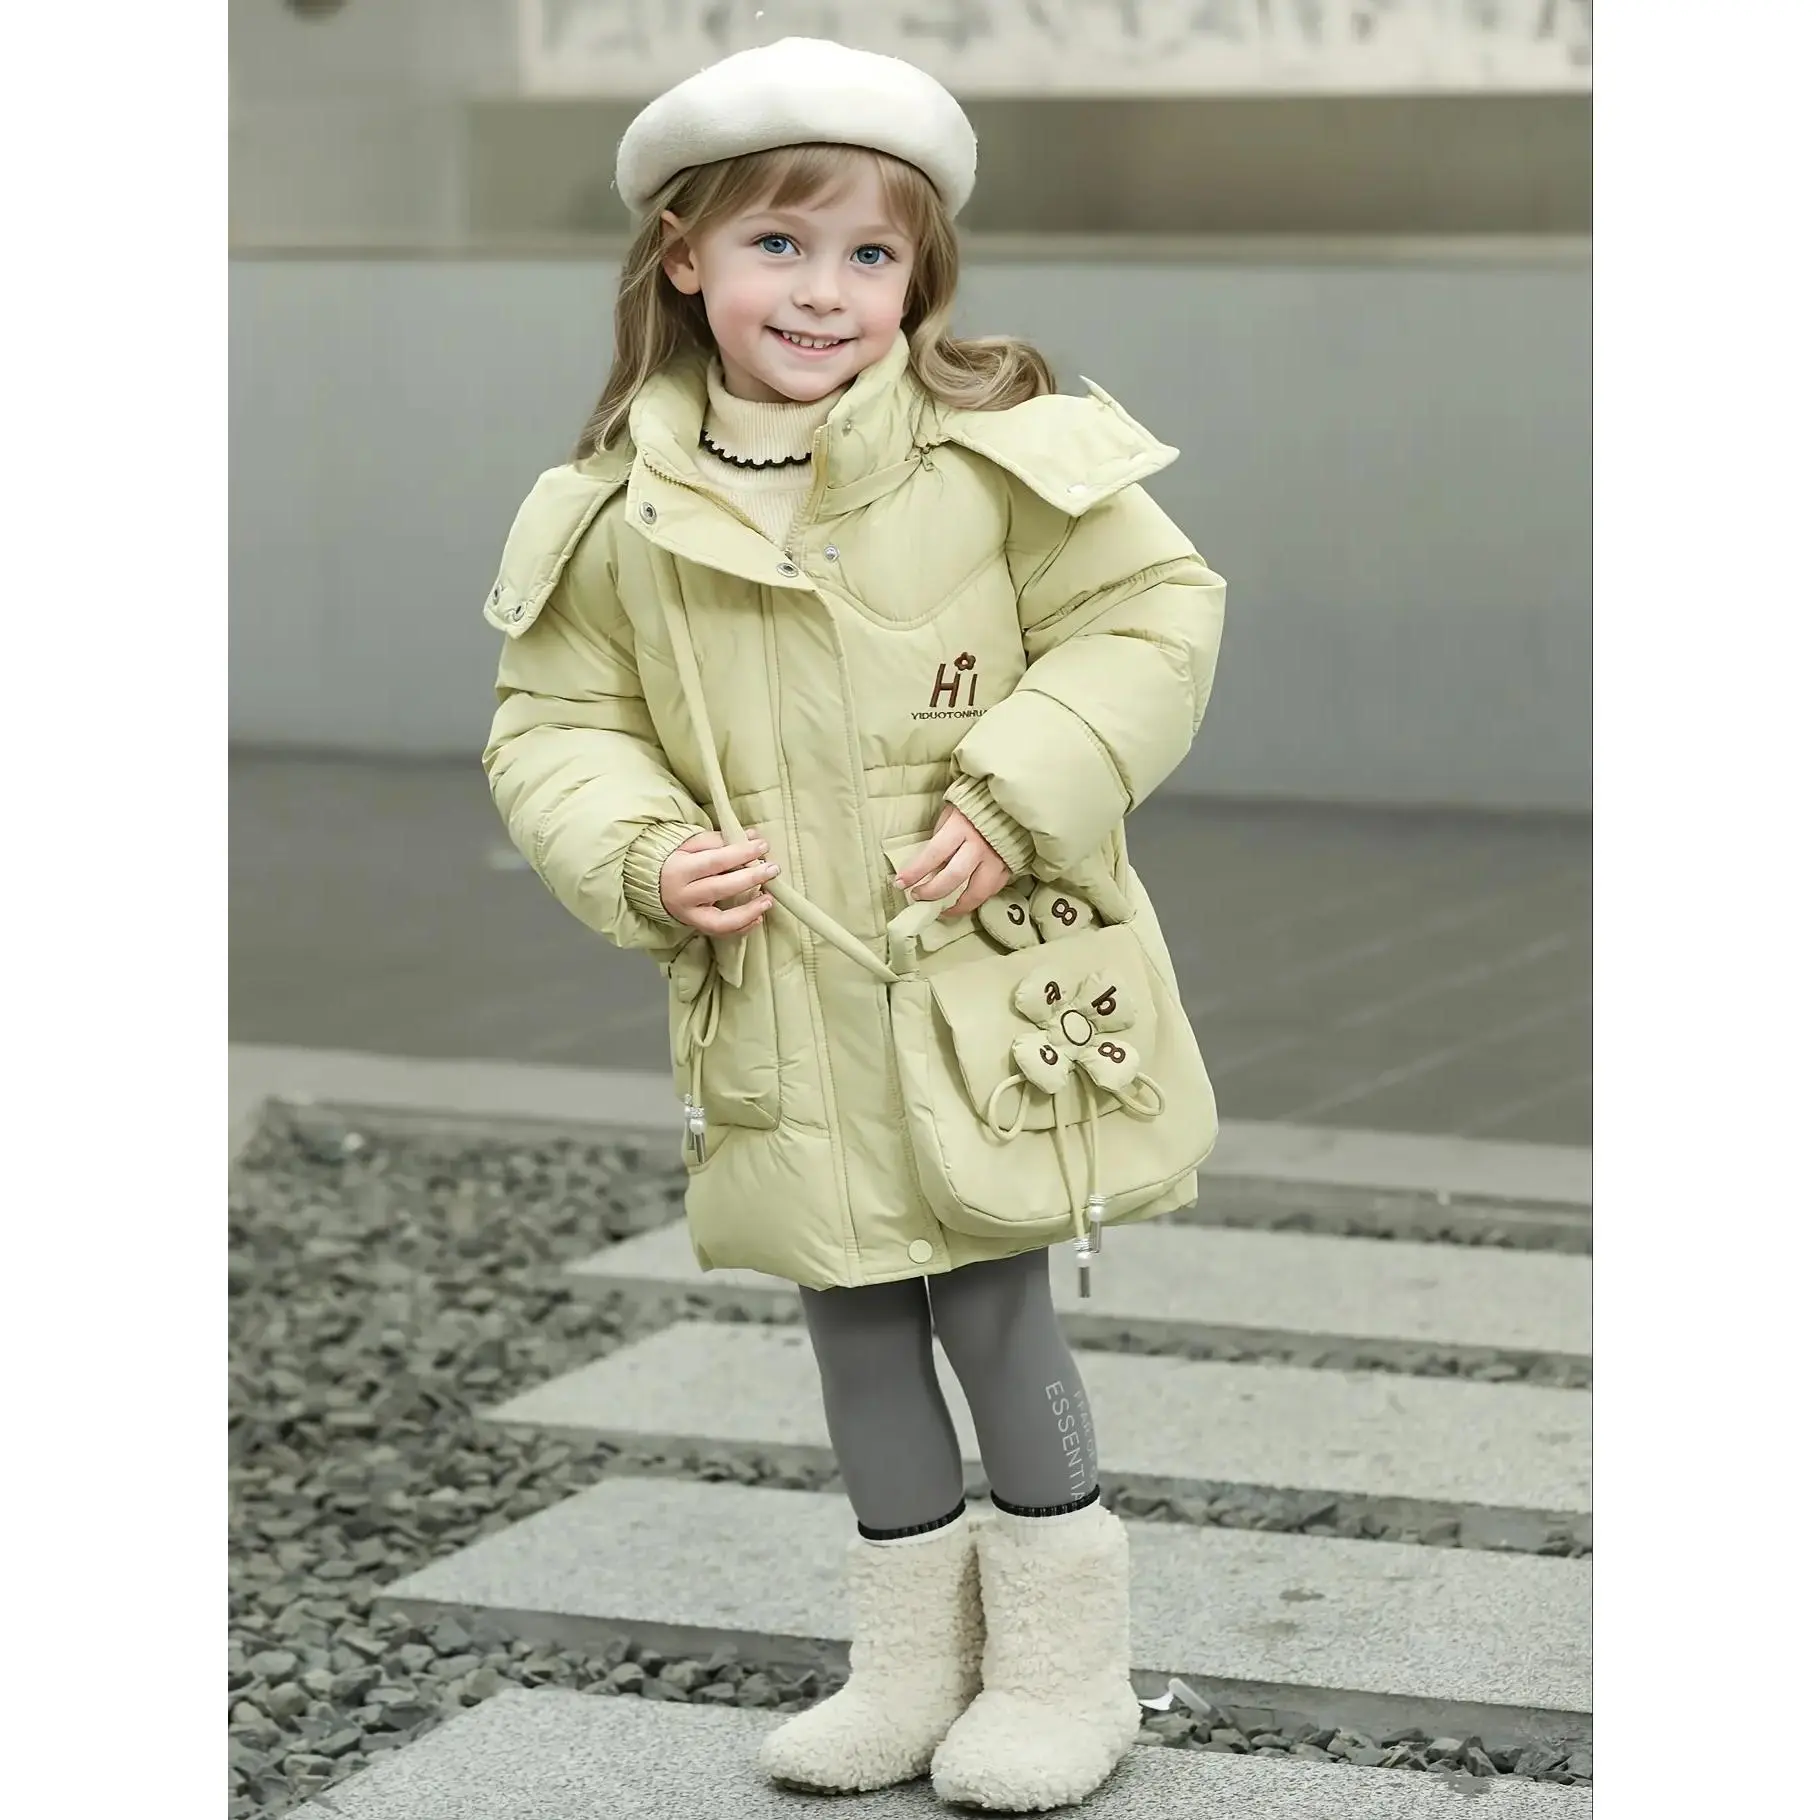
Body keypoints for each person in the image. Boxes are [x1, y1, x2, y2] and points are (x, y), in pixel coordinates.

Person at [481, 36, 1226, 1812]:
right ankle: (906, 1665)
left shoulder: (998, 459)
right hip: (779, 991)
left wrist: (1015, 788)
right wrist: (647, 854)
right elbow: (557, 722)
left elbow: (1152, 615)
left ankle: (1060, 1672)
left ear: (919, 273)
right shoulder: (614, 511)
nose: (824, 291)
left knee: (993, 1300)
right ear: (684, 258)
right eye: (778, 245)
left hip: (978, 975)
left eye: (868, 254)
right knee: (853, 1314)